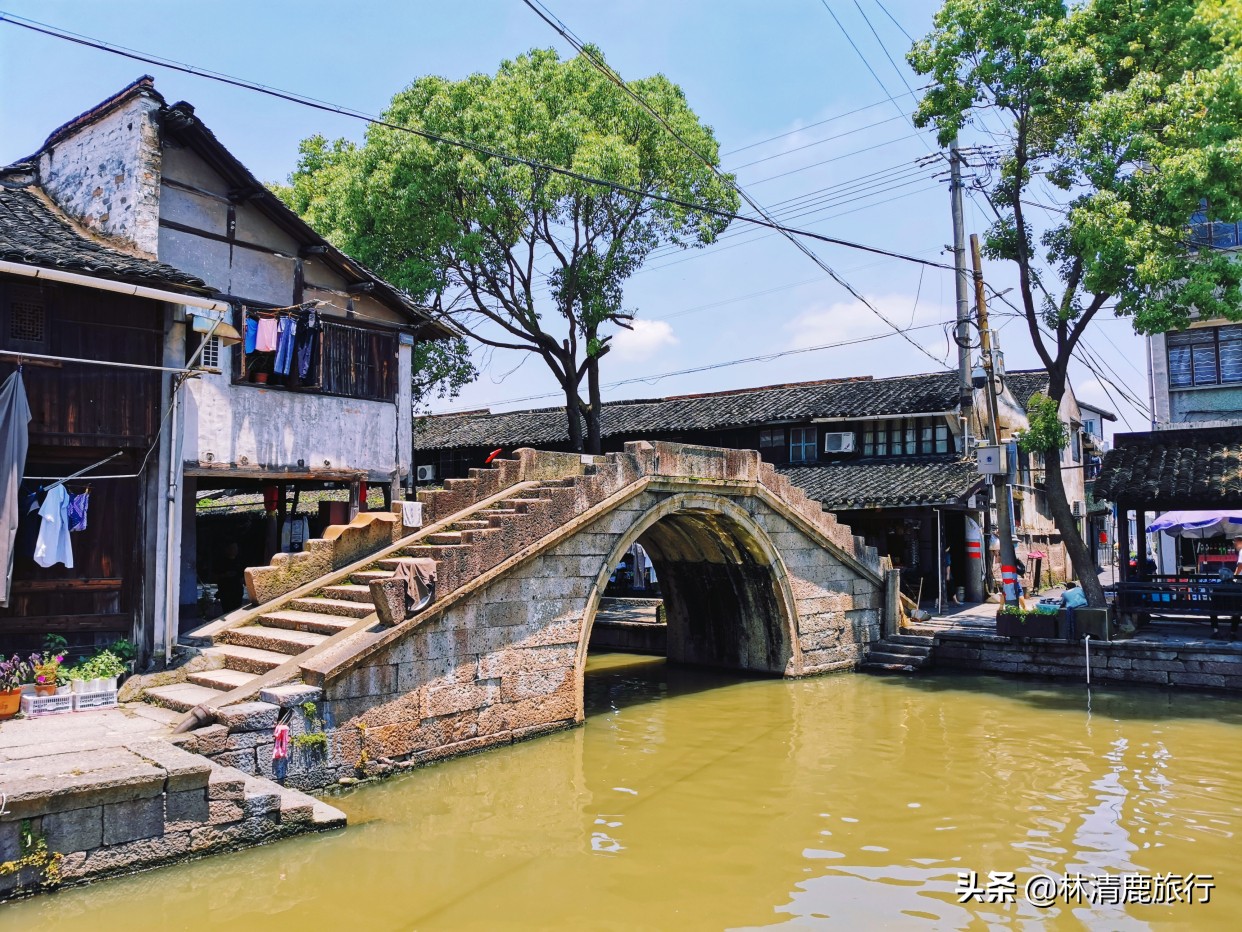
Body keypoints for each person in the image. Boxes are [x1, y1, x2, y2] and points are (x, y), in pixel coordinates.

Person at [1209, 537, 1242, 640]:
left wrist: (1237, 574)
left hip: (1219, 609)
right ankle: (1232, 632)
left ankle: (1216, 631)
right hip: (1234, 608)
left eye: (1234, 541)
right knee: (1237, 609)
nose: (1233, 544)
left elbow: (1240, 565)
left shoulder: (1217, 586)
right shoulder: (1237, 587)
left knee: (1212, 609)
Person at [215, 541, 245, 613]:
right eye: (233, 548)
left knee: (237, 611)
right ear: (227, 549)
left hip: (237, 591)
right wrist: (225, 575)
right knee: (227, 611)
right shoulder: (221, 562)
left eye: (236, 548)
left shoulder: (239, 561)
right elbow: (215, 576)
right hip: (226, 591)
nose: (235, 550)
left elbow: (242, 575)